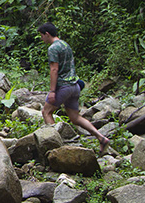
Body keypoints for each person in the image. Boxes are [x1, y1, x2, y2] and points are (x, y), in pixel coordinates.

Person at [37, 23, 111, 153]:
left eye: (42, 36)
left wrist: (52, 91)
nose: (42, 39)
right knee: (75, 118)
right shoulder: (65, 45)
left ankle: (57, 147)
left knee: (46, 112)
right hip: (74, 86)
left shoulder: (53, 48)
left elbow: (54, 69)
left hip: (63, 87)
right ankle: (101, 138)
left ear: (47, 34)